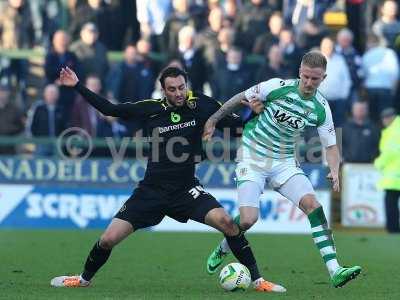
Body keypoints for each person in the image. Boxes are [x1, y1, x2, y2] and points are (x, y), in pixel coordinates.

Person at [49, 66, 286, 293]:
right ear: (164, 90)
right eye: (172, 89)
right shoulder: (150, 108)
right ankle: (83, 279)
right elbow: (111, 109)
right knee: (108, 239)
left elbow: (238, 127)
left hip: (186, 189)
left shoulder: (202, 104)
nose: (178, 93)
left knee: (227, 223)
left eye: (181, 87)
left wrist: (255, 113)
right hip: (151, 190)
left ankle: (258, 280)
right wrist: (77, 85)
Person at [203, 50, 362, 288]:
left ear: (323, 78)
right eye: (306, 76)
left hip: (284, 161)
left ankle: (335, 270)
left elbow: (330, 146)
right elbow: (240, 96)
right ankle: (225, 246)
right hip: (252, 156)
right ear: (300, 71)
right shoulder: (276, 86)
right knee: (248, 220)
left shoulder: (321, 108)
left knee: (314, 206)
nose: (309, 83)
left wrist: (334, 170)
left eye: (315, 79)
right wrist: (214, 119)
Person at [374, 107, 400, 233]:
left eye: (384, 119)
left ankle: (393, 229)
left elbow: (391, 151)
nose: (383, 122)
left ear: (389, 118)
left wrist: (378, 163)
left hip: (395, 176)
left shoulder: (394, 131)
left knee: (390, 203)